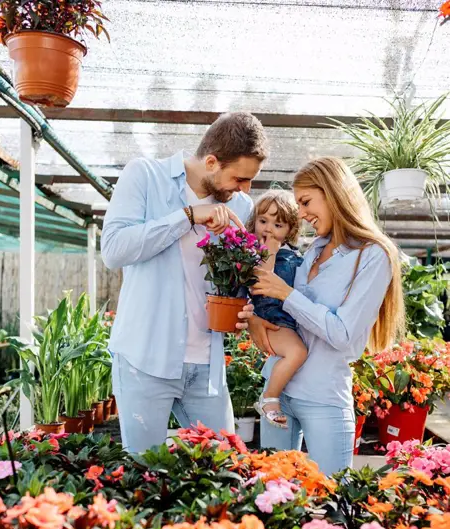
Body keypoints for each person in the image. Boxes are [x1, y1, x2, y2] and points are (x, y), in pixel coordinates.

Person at [101, 112, 269, 453]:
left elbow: (240, 274)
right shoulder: (145, 176)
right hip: (145, 360)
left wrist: (244, 300)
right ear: (211, 162)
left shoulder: (239, 204)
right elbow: (114, 249)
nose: (246, 189)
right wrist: (188, 217)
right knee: (144, 472)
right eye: (240, 178)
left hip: (206, 364)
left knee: (225, 469)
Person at [249, 157, 405, 475]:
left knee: (336, 499)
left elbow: (343, 334)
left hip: (322, 397)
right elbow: (284, 315)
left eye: (306, 202)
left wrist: (286, 294)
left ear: (333, 192)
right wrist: (254, 319)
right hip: (277, 390)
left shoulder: (373, 255)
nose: (302, 214)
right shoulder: (315, 248)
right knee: (271, 501)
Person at [245, 190, 306, 427]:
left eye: (277, 224)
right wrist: (268, 251)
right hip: (271, 316)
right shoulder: (256, 252)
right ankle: (270, 399)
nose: (268, 229)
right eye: (263, 221)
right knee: (297, 352)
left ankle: (272, 394)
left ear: (290, 230)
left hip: (286, 317)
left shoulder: (292, 253)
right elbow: (261, 280)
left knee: (297, 352)